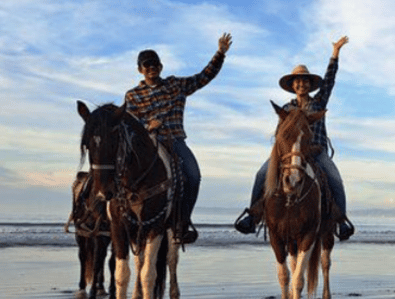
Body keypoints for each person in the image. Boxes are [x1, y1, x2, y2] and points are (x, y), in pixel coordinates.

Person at [235, 36, 354, 241]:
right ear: (293, 86)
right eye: (297, 81)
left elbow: (329, 80)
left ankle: (341, 220)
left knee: (335, 178)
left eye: (305, 81)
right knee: (261, 174)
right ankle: (253, 217)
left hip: (316, 152)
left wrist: (335, 53)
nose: (301, 84)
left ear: (310, 85)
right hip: (289, 153)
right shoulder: (287, 110)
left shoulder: (318, 102)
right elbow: (280, 137)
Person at [124, 33, 233, 244]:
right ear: (140, 69)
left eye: (154, 64)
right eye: (146, 65)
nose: (151, 68)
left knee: (193, 175)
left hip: (174, 141)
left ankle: (182, 223)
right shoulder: (132, 95)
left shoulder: (176, 85)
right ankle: (118, 217)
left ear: (161, 67)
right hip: (146, 144)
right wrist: (148, 126)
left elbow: (204, 77)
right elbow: (130, 125)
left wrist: (220, 53)